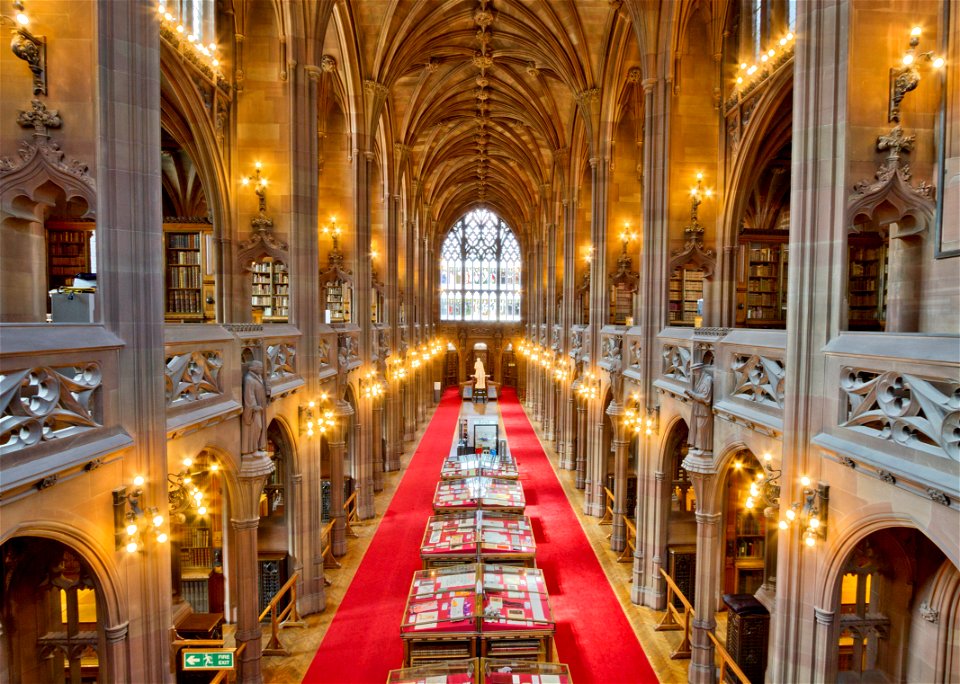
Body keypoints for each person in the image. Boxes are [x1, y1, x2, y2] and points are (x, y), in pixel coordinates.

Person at [685, 362, 714, 454]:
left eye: (695, 371)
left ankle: (703, 448)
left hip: (704, 410)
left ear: (700, 370)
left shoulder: (707, 379)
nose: (694, 374)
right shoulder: (699, 379)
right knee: (696, 428)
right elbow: (698, 394)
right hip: (697, 408)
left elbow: (706, 398)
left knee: (702, 428)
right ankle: (697, 446)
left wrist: (692, 394)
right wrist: (691, 395)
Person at [242, 360, 267, 454]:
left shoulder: (258, 377)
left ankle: (258, 446)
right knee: (257, 427)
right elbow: (249, 396)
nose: (262, 369)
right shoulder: (249, 379)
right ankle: (253, 449)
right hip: (254, 409)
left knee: (259, 427)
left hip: (260, 407)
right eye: (260, 368)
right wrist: (254, 407)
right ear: (254, 368)